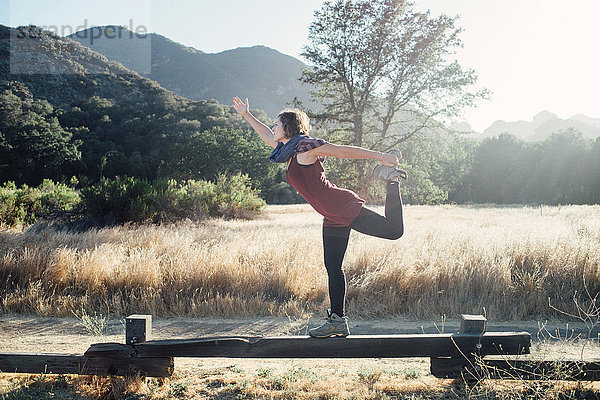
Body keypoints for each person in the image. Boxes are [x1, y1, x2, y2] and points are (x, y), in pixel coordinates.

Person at [232, 97, 405, 338]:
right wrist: (246, 115)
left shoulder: (305, 147)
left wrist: (380, 156)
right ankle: (337, 321)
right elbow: (265, 134)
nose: (273, 128)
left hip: (340, 206)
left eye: (277, 124)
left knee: (394, 231)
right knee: (333, 267)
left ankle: (391, 180)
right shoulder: (288, 150)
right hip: (331, 215)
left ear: (289, 127)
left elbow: (341, 151)